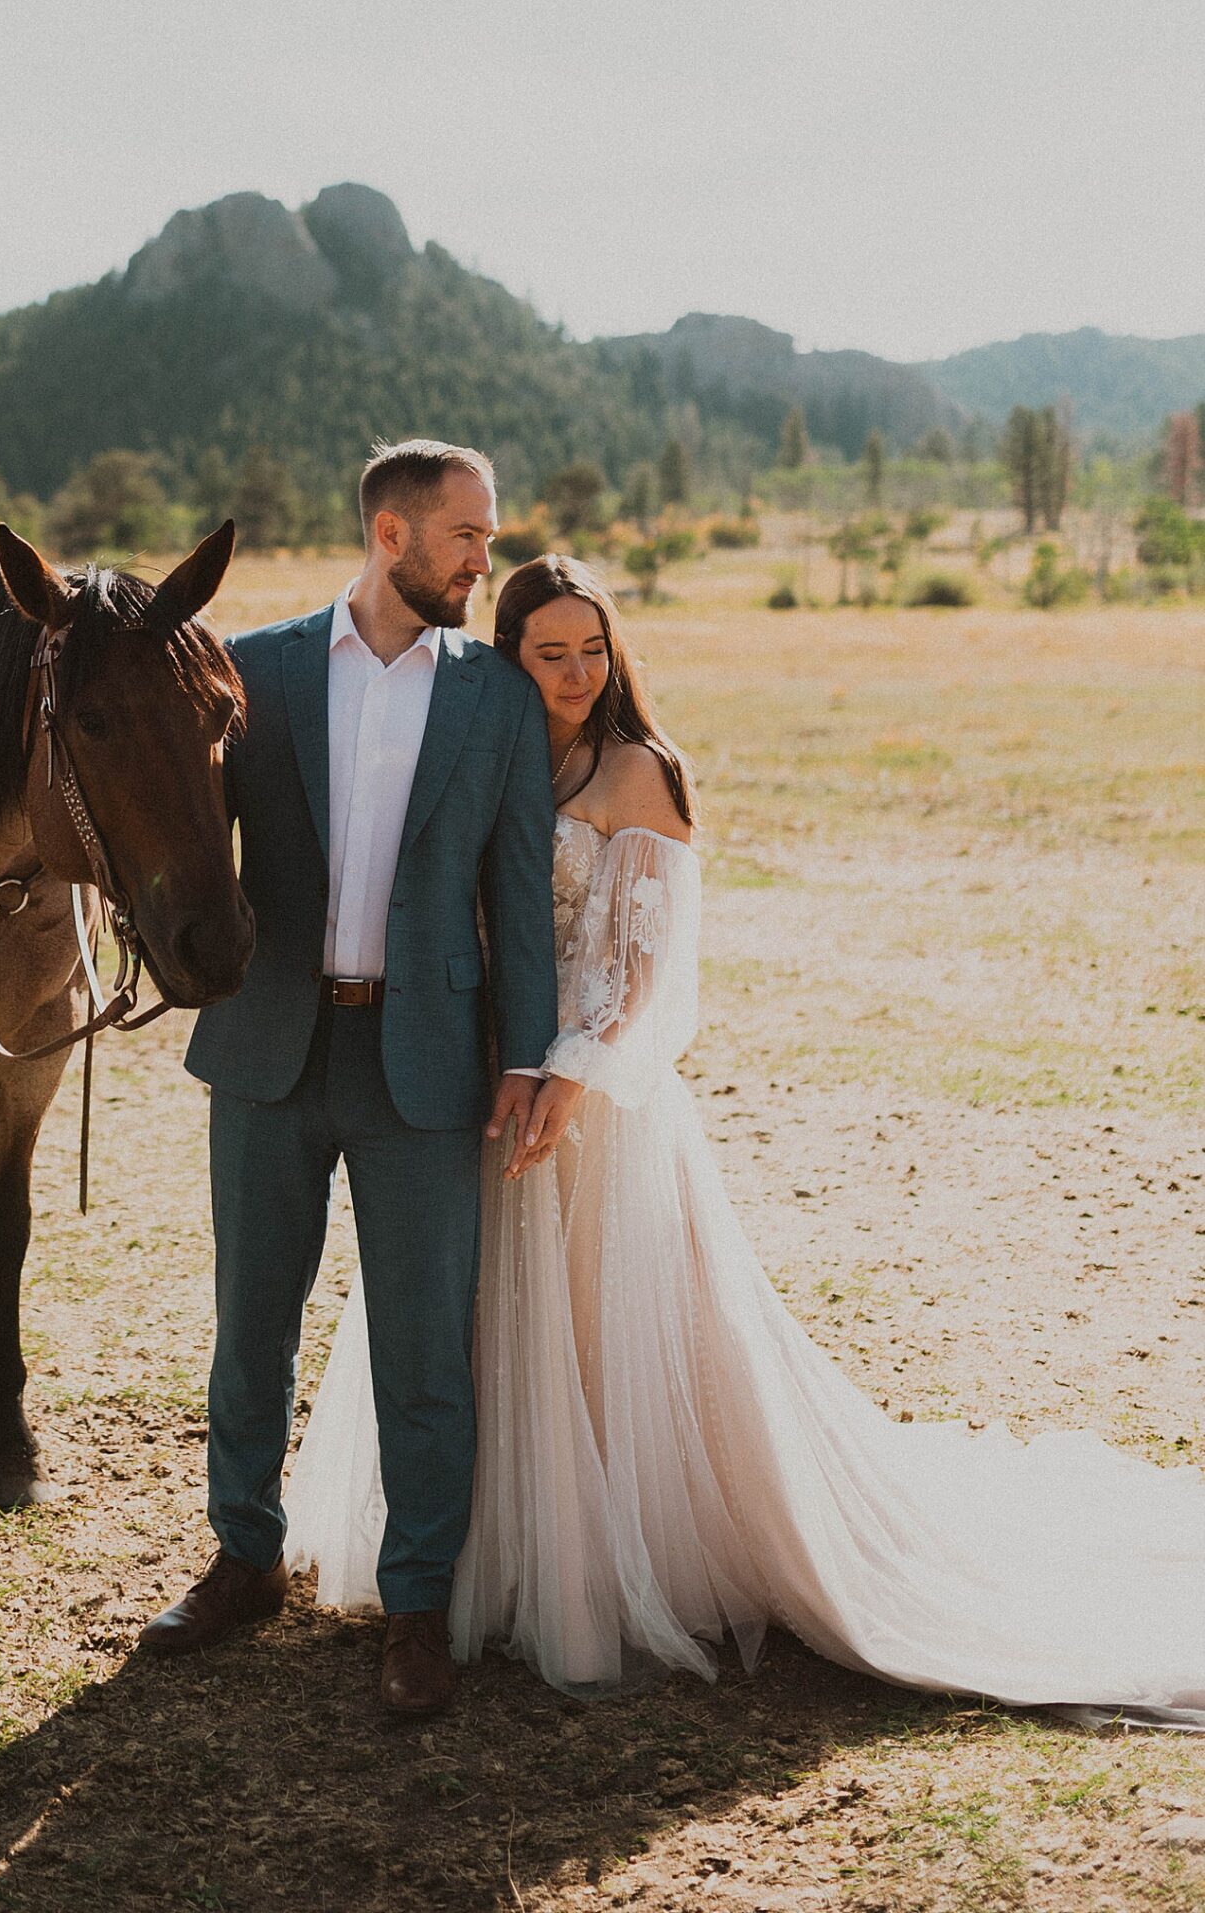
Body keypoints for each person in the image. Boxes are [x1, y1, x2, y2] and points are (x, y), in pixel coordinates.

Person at [287, 553, 1205, 1720]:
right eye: (548, 652)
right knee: (473, 1326)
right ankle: (476, 1559)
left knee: (601, 1330)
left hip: (594, 1103)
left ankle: (623, 1558)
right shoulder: (502, 756)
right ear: (507, 657)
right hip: (479, 1087)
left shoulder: (638, 771)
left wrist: (567, 1077)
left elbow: (648, 973)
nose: (575, 673)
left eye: (592, 649)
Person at [139, 442, 558, 1715]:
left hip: (428, 1065)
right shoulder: (252, 672)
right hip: (271, 1047)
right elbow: (166, 823)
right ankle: (244, 1558)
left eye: (486, 537)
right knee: (249, 1324)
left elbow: (519, 894)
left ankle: (418, 1601)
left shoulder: (496, 697)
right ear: (389, 533)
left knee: (427, 1347)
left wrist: (530, 1055)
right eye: (466, 537)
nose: (487, 561)